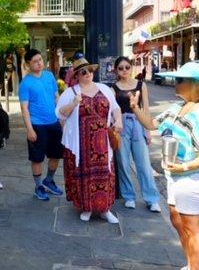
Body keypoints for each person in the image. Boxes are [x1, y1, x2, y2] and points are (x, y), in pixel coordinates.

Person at [129, 62, 199, 270]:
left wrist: (184, 167)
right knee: (177, 221)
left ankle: (197, 268)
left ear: (196, 85)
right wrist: (135, 108)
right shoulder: (179, 107)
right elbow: (152, 124)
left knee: (193, 228)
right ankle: (191, 264)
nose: (175, 82)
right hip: (174, 176)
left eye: (180, 80)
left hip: (190, 178)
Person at [56, 57, 123, 223]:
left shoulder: (104, 89)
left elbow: (115, 108)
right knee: (83, 176)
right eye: (83, 72)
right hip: (81, 144)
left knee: (105, 174)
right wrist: (73, 103)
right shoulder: (70, 92)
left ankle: (105, 209)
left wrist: (119, 120)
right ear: (77, 75)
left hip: (102, 144)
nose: (88, 74)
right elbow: (59, 113)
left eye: (90, 71)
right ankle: (86, 208)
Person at [111, 56, 161, 212]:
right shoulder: (114, 88)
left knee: (143, 163)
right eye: (121, 68)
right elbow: (113, 110)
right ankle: (129, 196)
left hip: (138, 124)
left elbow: (146, 109)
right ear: (116, 70)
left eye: (127, 67)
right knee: (123, 162)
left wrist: (148, 129)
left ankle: (151, 199)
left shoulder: (141, 85)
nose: (124, 70)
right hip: (122, 126)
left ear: (131, 67)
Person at [19, 49, 64, 201]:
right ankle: (38, 186)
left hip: (54, 122)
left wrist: (62, 118)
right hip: (37, 124)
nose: (39, 63)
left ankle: (49, 180)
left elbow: (56, 97)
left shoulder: (50, 76)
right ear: (28, 64)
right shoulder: (26, 83)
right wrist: (29, 129)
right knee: (37, 158)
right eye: (35, 61)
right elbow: (24, 108)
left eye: (40, 59)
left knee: (56, 155)